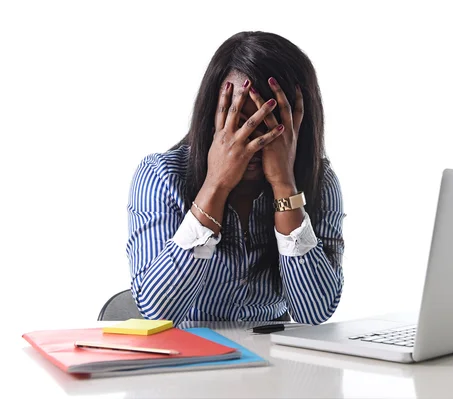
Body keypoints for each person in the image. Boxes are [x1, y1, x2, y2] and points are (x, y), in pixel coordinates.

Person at [126, 31, 345, 326]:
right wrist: (216, 184)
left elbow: (313, 313)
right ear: (212, 115)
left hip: (273, 361)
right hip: (188, 361)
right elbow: (158, 313)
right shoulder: (161, 176)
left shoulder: (321, 183)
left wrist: (284, 187)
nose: (252, 142)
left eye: (272, 127)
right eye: (240, 123)